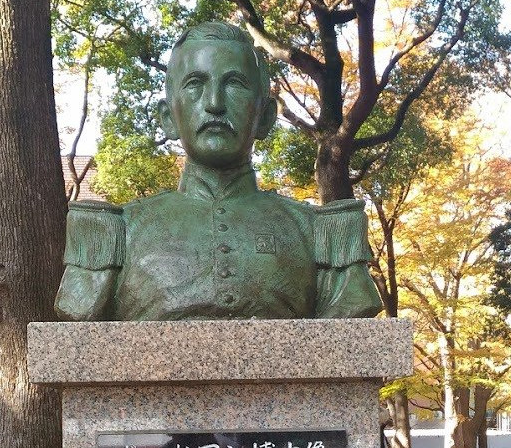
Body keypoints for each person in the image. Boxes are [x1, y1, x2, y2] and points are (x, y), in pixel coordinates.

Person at [54, 21, 382, 323]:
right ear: (168, 117)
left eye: (235, 84)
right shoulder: (115, 232)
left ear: (266, 117)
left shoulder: (320, 232)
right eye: (195, 84)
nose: (214, 103)